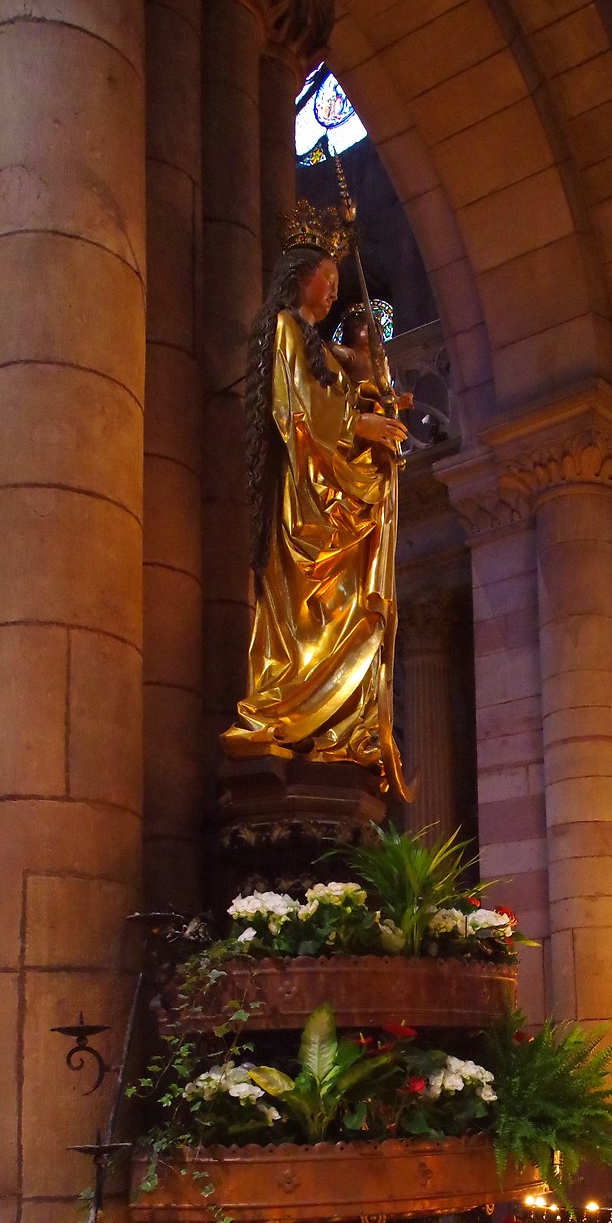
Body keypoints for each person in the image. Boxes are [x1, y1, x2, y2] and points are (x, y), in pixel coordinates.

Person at [222, 212, 410, 794]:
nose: (332, 288)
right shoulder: (283, 326)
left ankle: (337, 726)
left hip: (335, 497)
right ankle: (291, 711)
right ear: (296, 276)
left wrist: (374, 391)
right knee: (307, 613)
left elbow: (332, 385)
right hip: (306, 501)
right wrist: (361, 425)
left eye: (335, 279)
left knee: (350, 611)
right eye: (324, 277)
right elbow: (299, 410)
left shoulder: (319, 344)